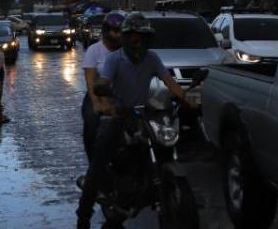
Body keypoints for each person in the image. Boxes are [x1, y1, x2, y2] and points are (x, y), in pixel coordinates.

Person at [76, 12, 196, 228]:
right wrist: (103, 93)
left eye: (142, 37)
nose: (138, 41)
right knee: (98, 164)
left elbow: (169, 81)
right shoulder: (114, 58)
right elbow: (103, 82)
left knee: (163, 145)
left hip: (142, 114)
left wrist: (186, 99)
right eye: (133, 37)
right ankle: (83, 215)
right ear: (125, 38)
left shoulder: (152, 58)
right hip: (117, 115)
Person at [80, 12, 123, 160]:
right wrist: (97, 103)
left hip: (121, 96)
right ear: (106, 31)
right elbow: (90, 82)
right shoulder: (94, 50)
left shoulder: (127, 51)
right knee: (92, 122)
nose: (118, 35)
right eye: (115, 31)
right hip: (97, 95)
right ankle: (94, 165)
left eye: (121, 31)